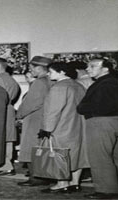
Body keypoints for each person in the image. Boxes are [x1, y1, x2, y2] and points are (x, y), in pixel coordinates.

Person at [77, 58, 118, 199]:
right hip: (117, 121)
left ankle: (106, 190)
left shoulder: (104, 84)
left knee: (100, 157)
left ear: (105, 69)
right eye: (88, 66)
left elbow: (100, 106)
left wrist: (81, 108)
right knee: (116, 156)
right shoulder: (116, 83)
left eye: (92, 66)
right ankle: (117, 185)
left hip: (101, 122)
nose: (88, 69)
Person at [38, 62, 89, 193]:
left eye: (51, 71)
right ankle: (75, 183)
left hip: (62, 126)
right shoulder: (78, 85)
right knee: (77, 154)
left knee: (60, 154)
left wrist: (46, 129)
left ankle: (62, 183)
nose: (48, 74)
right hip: (78, 126)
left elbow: (53, 111)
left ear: (62, 72)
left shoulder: (59, 87)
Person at [16, 56, 53, 186]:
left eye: (32, 68)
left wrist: (19, 115)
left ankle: (36, 177)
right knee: (42, 148)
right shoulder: (51, 80)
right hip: (45, 118)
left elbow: (30, 103)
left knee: (31, 148)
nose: (30, 71)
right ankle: (43, 176)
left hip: (34, 118)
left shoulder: (39, 82)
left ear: (39, 68)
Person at [0, 57, 21, 176]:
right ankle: (7, 165)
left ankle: (5, 166)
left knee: (1, 139)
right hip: (9, 110)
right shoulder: (12, 80)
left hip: (0, 111)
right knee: (8, 140)